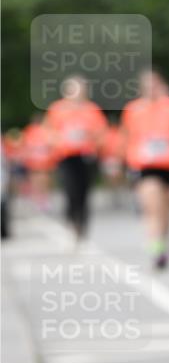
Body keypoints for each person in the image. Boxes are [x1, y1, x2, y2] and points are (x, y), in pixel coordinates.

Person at [120, 70, 169, 269]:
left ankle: (164, 242)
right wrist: (120, 161)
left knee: (167, 207)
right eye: (147, 85)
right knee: (152, 206)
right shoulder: (133, 110)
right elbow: (126, 137)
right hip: (145, 166)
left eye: (154, 84)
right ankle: (156, 246)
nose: (151, 89)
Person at [43, 76, 108, 241]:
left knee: (84, 192)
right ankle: (71, 222)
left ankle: (82, 225)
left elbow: (101, 132)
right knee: (70, 190)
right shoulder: (57, 109)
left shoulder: (92, 110)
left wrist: (92, 141)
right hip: (66, 157)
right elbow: (48, 132)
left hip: (86, 156)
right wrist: (59, 141)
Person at [21, 113, 55, 211]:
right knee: (40, 179)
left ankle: (42, 199)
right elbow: (26, 145)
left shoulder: (44, 131)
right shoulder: (32, 131)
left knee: (41, 179)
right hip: (37, 159)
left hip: (43, 159)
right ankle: (41, 199)